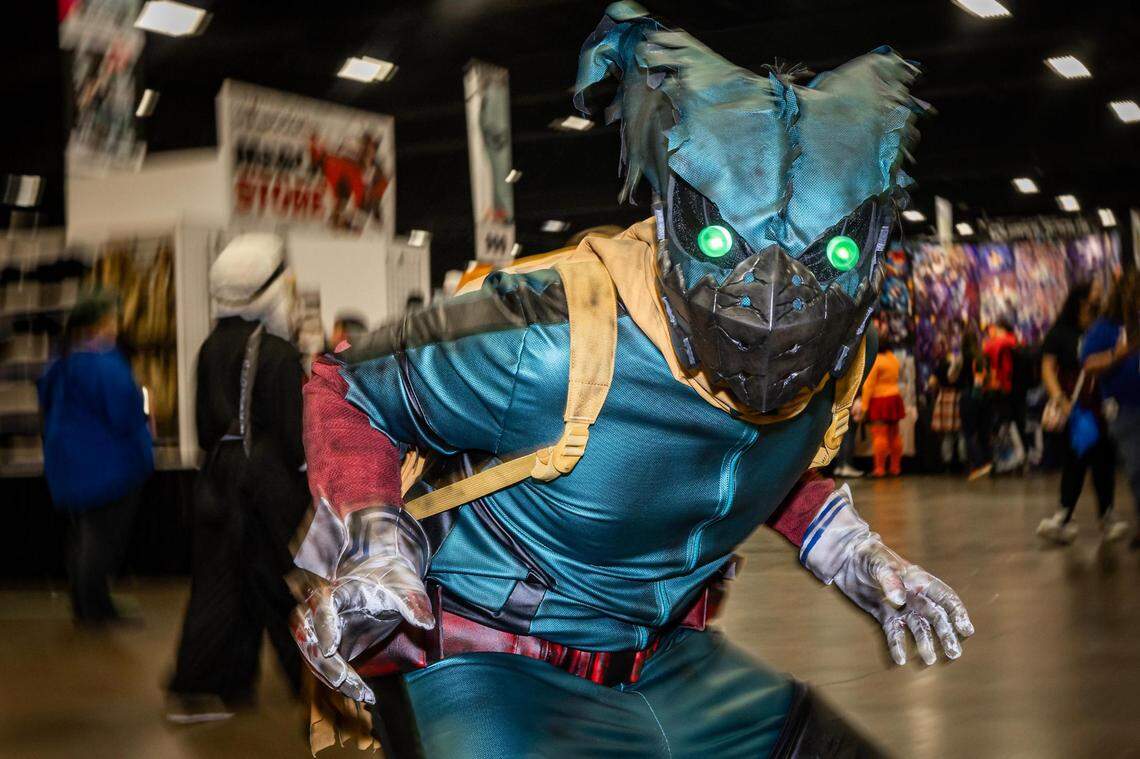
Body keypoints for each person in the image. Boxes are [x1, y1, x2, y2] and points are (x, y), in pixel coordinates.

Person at [290, 6, 973, 756]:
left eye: (829, 260)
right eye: (723, 246)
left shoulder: (843, 356)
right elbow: (350, 384)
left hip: (669, 665)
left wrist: (851, 549)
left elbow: (752, 452)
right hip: (491, 664)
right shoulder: (556, 333)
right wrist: (379, 539)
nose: (773, 300)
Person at [167, 234, 310, 722]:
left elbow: (205, 431)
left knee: (227, 585)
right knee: (282, 589)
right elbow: (296, 437)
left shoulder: (209, 348)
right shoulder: (279, 355)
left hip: (217, 487)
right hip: (265, 492)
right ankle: (312, 684)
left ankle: (225, 684)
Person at [38, 291, 153, 625]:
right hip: (108, 469)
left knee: (84, 538)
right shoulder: (104, 365)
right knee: (101, 541)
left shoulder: (62, 364)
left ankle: (88, 603)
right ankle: (95, 611)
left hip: (72, 468)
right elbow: (125, 415)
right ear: (101, 324)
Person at [1035, 284, 1125, 545]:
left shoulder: (1102, 327)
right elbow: (1048, 368)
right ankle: (1086, 516)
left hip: (1102, 404)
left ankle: (1077, 516)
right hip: (1075, 408)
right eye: (1093, 295)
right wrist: (1060, 399)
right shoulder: (1061, 332)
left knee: (1099, 458)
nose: (1098, 298)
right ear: (1081, 300)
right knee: (1078, 456)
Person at [1080, 271, 1139, 548]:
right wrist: (1121, 352)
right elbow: (1089, 364)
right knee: (1137, 467)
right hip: (1125, 410)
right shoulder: (1106, 328)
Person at [862, 343, 906, 477]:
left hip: (880, 400)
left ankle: (879, 469)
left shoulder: (876, 361)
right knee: (894, 435)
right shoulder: (893, 359)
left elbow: (869, 385)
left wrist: (864, 406)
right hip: (895, 398)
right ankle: (895, 468)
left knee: (879, 435)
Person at [959, 324, 993, 480]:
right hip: (985, 396)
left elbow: (955, 377)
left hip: (969, 395)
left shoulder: (964, 357)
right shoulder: (982, 356)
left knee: (969, 432)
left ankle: (978, 464)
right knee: (983, 430)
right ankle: (987, 461)